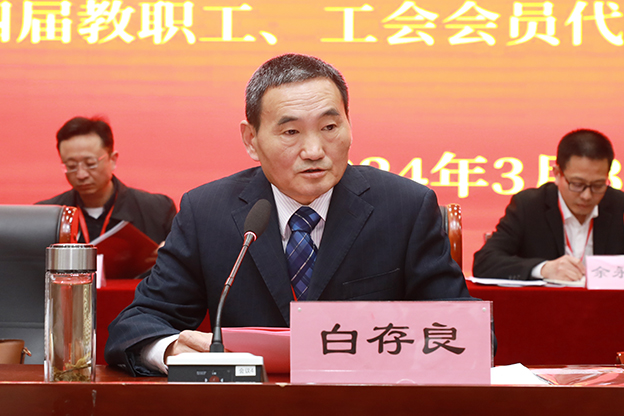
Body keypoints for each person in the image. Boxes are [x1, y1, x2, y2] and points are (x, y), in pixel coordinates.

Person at [105, 53, 477, 376]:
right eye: (291, 131)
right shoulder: (207, 212)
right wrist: (171, 350)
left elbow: (466, 332)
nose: (314, 150)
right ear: (251, 140)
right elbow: (136, 325)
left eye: (329, 127)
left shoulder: (406, 207)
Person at [473, 129, 624, 281]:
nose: (587, 196)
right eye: (577, 184)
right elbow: (485, 262)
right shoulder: (529, 206)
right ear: (557, 174)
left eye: (598, 185)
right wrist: (542, 269)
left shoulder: (619, 206)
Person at [37, 116, 177, 263]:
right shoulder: (46, 216)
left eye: (90, 163)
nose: (81, 175)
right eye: (71, 166)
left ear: (113, 160)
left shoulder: (157, 210)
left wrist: (170, 257)